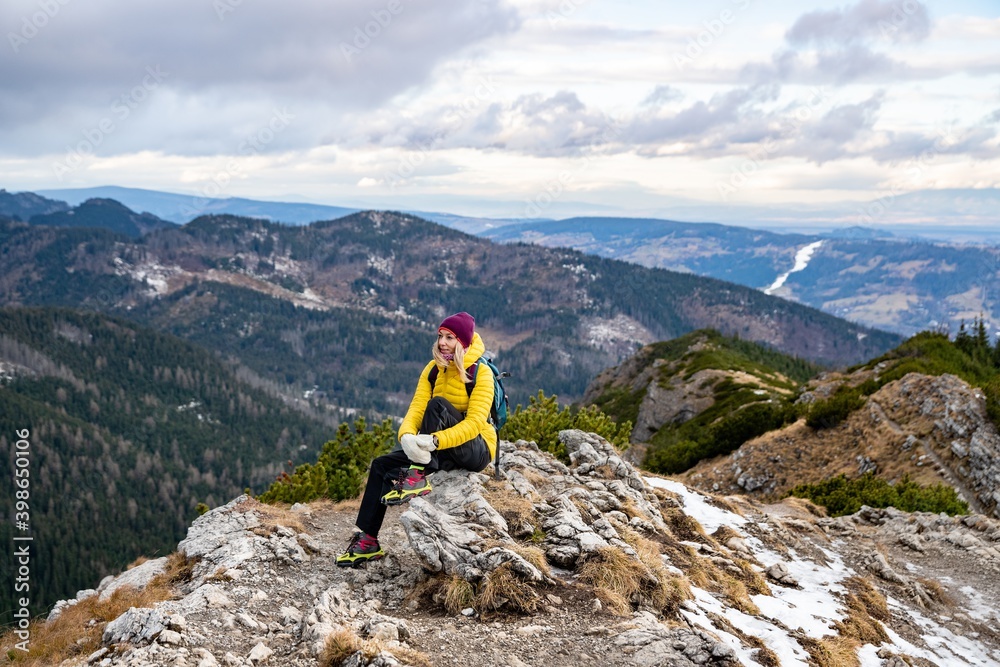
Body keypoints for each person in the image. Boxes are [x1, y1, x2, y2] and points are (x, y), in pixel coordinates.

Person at [336, 312, 496, 566]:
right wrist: (407, 438)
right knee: (380, 465)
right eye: (440, 336)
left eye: (450, 338)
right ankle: (368, 541)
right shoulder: (433, 370)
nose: (442, 342)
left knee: (438, 406)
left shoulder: (481, 373)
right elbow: (416, 409)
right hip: (439, 447)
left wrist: (433, 442)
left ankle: (417, 475)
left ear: (463, 342)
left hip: (476, 449)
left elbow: (475, 423)